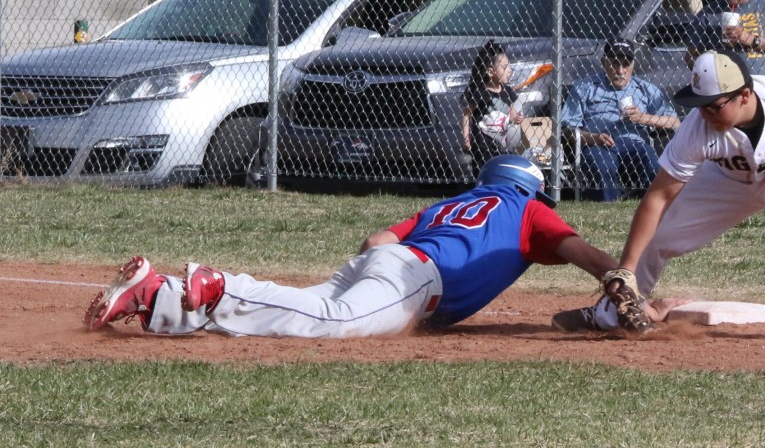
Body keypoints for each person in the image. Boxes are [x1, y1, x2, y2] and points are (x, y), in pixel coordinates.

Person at [84, 156, 629, 339]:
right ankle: (223, 286)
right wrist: (618, 279)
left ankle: (158, 298)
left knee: (307, 310)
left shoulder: (452, 204)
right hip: (419, 278)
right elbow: (588, 254)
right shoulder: (527, 209)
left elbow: (376, 240)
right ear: (528, 184)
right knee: (333, 321)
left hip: (387, 261)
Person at [554, 51, 765, 341]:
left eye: (712, 106)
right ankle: (612, 313)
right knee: (663, 230)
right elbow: (657, 198)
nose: (704, 114)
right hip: (732, 176)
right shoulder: (699, 128)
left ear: (743, 95)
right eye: (698, 106)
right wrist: (625, 269)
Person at [561, 37, 679, 201]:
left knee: (653, 167)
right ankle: (606, 209)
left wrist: (643, 118)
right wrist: (594, 138)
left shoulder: (645, 89)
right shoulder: (585, 87)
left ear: (633, 65)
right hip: (599, 144)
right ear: (603, 62)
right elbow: (568, 130)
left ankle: (653, 204)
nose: (621, 70)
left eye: (626, 64)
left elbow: (674, 121)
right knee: (602, 167)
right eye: (615, 63)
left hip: (634, 142)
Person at [461, 40, 524, 171]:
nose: (509, 71)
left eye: (509, 67)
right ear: (490, 71)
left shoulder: (507, 92)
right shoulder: (481, 92)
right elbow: (467, 115)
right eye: (504, 67)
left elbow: (512, 115)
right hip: (483, 148)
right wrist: (466, 138)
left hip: (502, 146)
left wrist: (518, 118)